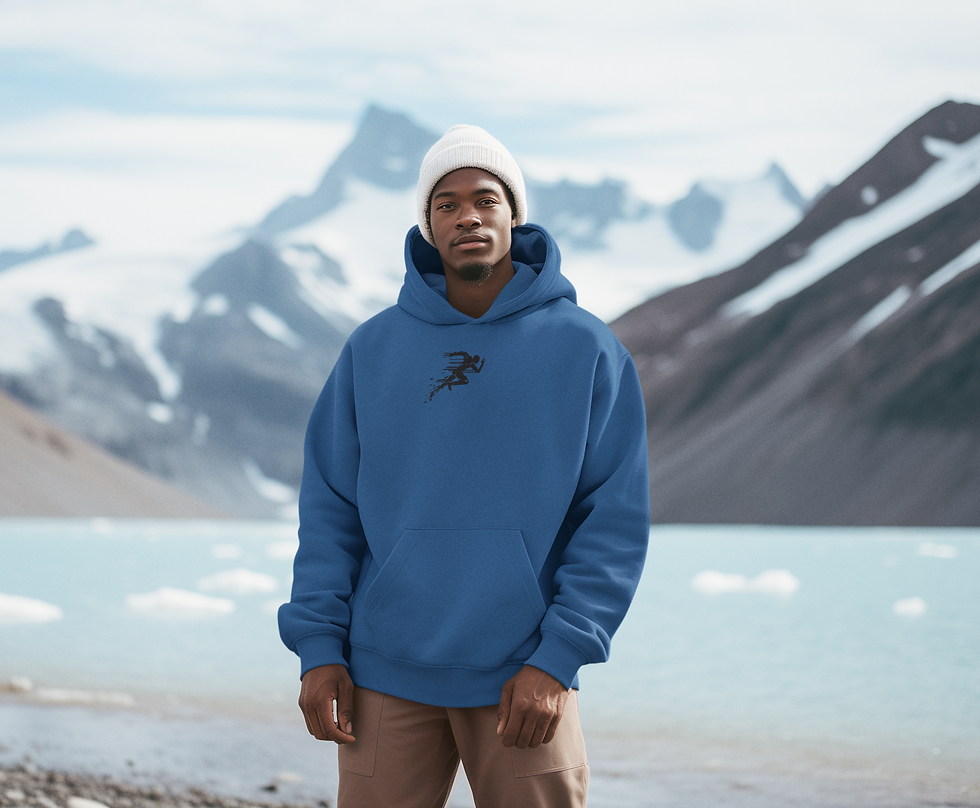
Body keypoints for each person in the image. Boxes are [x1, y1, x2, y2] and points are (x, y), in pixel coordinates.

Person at [278, 124, 650, 807]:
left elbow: (613, 520)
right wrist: (320, 648)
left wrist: (558, 657)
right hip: (383, 672)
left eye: (486, 198)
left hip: (526, 678)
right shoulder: (372, 350)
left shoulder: (586, 349)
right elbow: (330, 512)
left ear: (515, 214)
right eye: (445, 204)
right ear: (427, 224)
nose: (467, 215)